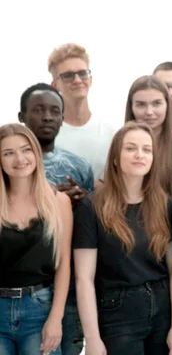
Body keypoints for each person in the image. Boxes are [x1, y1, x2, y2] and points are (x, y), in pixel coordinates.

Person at [73, 122, 172, 355]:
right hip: (117, 314)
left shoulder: (163, 203)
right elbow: (84, 278)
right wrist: (92, 338)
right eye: (131, 148)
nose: (140, 155)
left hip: (163, 307)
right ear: (115, 157)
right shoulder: (92, 207)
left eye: (147, 149)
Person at [18, 83, 93, 354]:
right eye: (38, 110)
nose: (47, 117)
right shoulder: (10, 165)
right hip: (21, 286)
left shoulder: (80, 167)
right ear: (21, 117)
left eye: (54, 111)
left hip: (70, 287)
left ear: (63, 118)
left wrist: (84, 201)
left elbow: (93, 229)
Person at [0, 123, 73, 355]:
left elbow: (63, 266)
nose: (19, 158)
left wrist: (55, 319)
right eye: (8, 153)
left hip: (39, 309)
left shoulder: (58, 202)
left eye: (26, 149)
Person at [48, 43, 117, 184]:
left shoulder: (111, 133)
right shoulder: (46, 135)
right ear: (55, 85)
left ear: (90, 79)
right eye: (68, 75)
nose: (77, 80)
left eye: (82, 73)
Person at [124, 75, 172, 195]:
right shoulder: (121, 143)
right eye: (141, 105)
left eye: (156, 103)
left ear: (167, 105)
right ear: (131, 107)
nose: (149, 112)